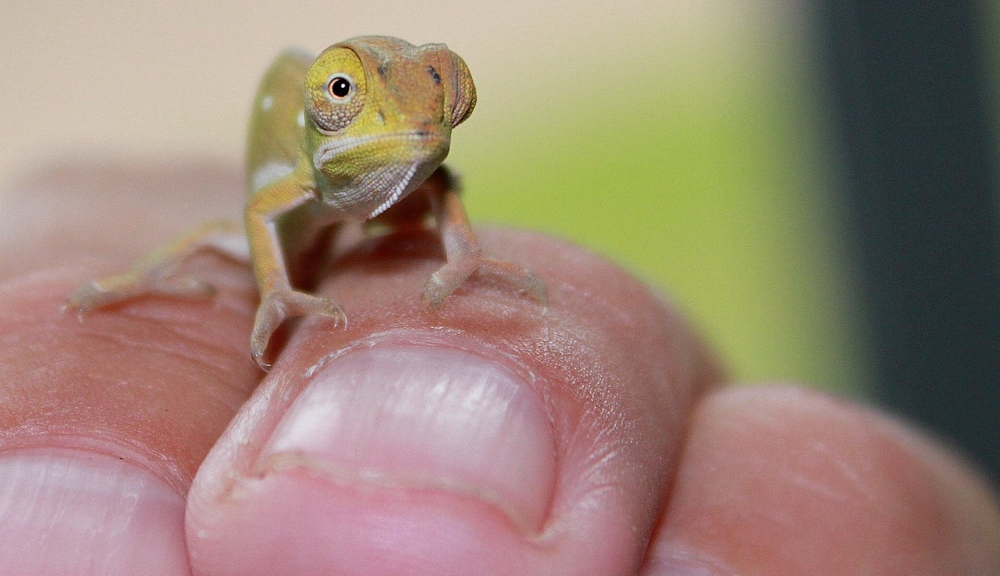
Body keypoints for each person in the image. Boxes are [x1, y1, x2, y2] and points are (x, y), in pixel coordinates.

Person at [1, 164, 998, 575]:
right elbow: (262, 214)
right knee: (181, 261)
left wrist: (461, 260)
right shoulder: (294, 184)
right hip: (257, 227)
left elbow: (437, 182)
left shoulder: (420, 168)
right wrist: (266, 290)